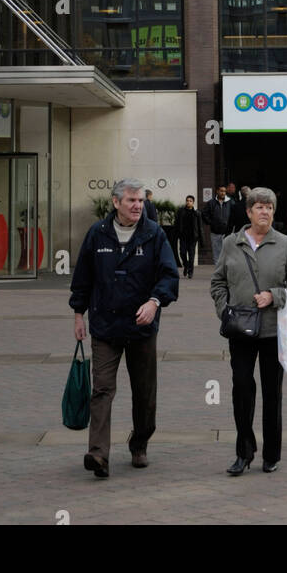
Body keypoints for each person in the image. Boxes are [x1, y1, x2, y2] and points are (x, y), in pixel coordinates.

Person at [70, 177, 179, 479]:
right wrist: (79, 314)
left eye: (141, 201)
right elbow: (82, 279)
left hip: (141, 328)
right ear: (115, 202)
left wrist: (155, 301)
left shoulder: (154, 234)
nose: (137, 206)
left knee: (144, 393)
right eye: (131, 200)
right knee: (102, 389)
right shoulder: (97, 234)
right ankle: (98, 454)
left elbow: (169, 276)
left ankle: (139, 443)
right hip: (105, 326)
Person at [210, 187, 287, 475]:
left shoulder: (284, 244)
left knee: (271, 393)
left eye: (269, 207)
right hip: (240, 331)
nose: (264, 211)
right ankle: (244, 451)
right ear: (249, 212)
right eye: (259, 207)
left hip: (273, 332)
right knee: (241, 389)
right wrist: (224, 311)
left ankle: (271, 454)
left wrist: (273, 296)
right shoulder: (231, 243)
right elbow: (217, 283)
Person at [201, 185, 232, 264]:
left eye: (224, 191)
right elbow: (204, 214)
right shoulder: (211, 203)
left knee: (227, 252)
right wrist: (211, 223)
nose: (223, 193)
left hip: (227, 232)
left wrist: (231, 225)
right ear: (217, 191)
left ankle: (225, 271)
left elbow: (234, 214)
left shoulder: (230, 202)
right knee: (216, 253)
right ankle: (218, 273)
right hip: (215, 232)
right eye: (221, 191)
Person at [175, 194, 202, 278]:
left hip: (193, 238)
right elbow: (176, 223)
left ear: (193, 202)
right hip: (183, 236)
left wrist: (202, 239)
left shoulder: (197, 213)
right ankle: (186, 266)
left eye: (190, 201)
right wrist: (177, 234)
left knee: (191, 255)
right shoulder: (181, 211)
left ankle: (191, 272)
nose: (188, 202)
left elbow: (200, 227)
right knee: (182, 253)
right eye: (187, 201)